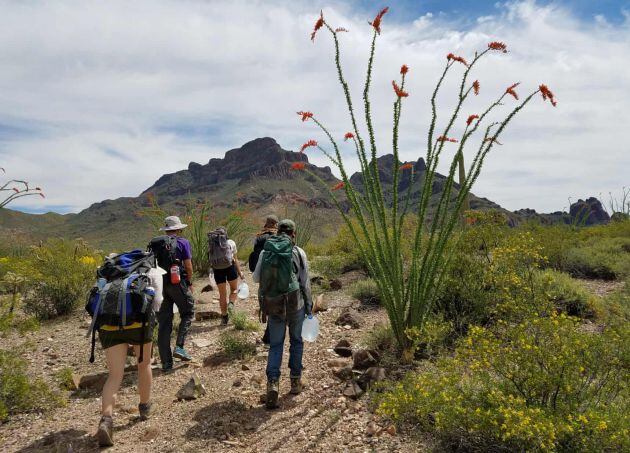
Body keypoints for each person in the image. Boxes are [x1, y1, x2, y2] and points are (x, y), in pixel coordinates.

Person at [252, 219, 312, 409]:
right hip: (296, 305)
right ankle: (295, 382)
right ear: (294, 234)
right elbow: (305, 283)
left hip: (274, 304)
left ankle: (273, 384)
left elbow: (255, 277)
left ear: (278, 232)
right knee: (296, 341)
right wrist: (309, 306)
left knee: (276, 344)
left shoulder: (266, 251)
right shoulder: (299, 252)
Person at [156, 216, 195, 370]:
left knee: (164, 323)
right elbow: (189, 266)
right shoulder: (182, 242)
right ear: (178, 229)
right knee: (188, 311)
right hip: (177, 283)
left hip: (160, 285)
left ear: (166, 229)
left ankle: (166, 363)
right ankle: (179, 346)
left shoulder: (157, 244)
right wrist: (190, 282)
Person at [249, 215, 279, 345]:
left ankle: (269, 334)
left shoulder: (259, 237)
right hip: (278, 275)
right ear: (276, 224)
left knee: (266, 301)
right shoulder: (280, 237)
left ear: (266, 224)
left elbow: (255, 258)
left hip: (263, 276)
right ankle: (272, 334)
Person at [209, 227, 244, 325]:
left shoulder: (212, 244)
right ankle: (231, 304)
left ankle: (224, 317)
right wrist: (240, 273)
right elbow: (235, 259)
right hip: (230, 267)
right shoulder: (231, 242)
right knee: (234, 289)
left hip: (217, 269)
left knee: (222, 294)